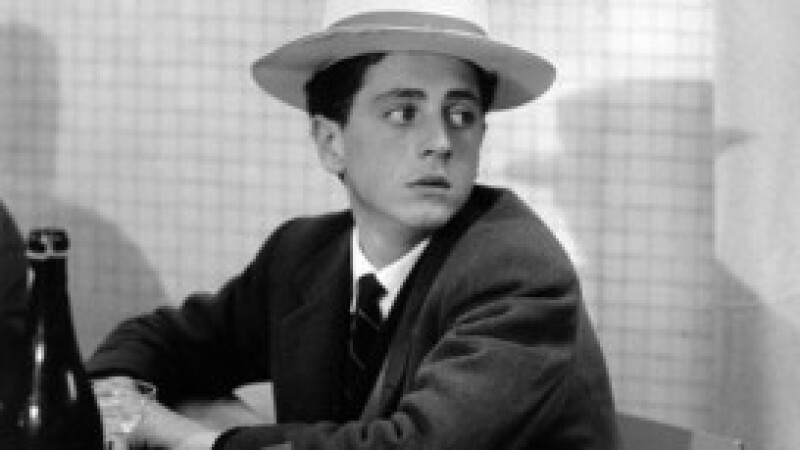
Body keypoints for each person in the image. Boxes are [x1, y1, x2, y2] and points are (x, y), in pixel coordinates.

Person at [87, 1, 620, 449]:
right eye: (404, 113)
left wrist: (185, 436)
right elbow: (160, 341)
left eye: (461, 114)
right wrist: (114, 396)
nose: (441, 142)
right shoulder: (302, 254)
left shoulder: (517, 269)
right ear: (330, 141)